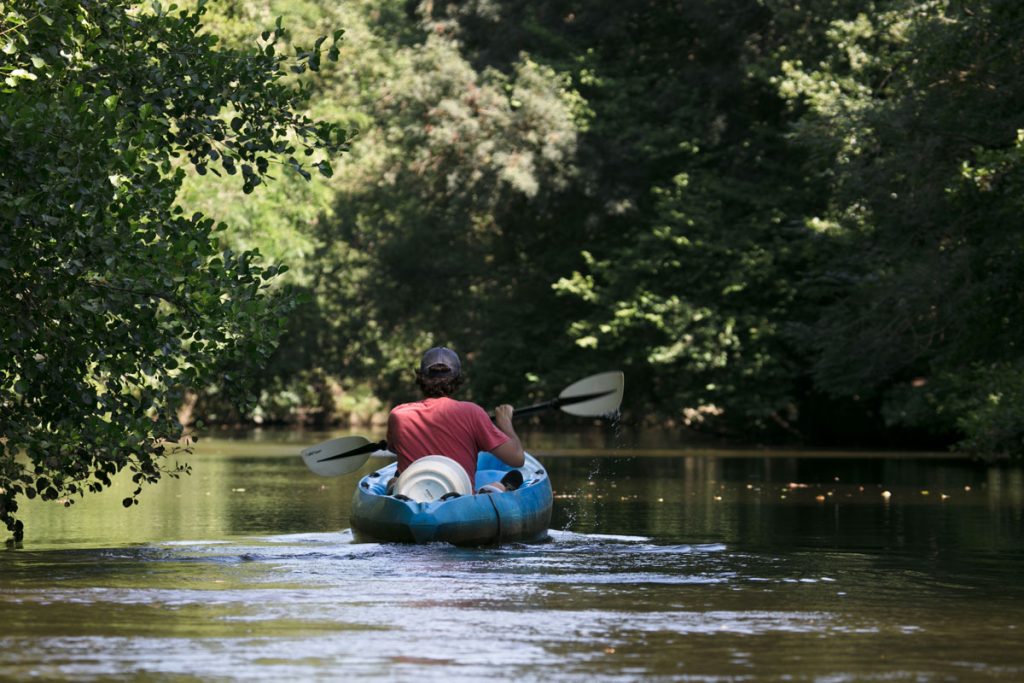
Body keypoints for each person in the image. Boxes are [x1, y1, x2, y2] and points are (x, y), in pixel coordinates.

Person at [387, 347, 525, 494]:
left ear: (421, 378)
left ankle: (394, 489)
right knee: (515, 477)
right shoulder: (472, 412)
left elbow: (392, 448)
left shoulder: (398, 414)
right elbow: (517, 459)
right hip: (459, 498)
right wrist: (506, 424)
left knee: (394, 479)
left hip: (412, 495)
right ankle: (495, 489)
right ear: (457, 379)